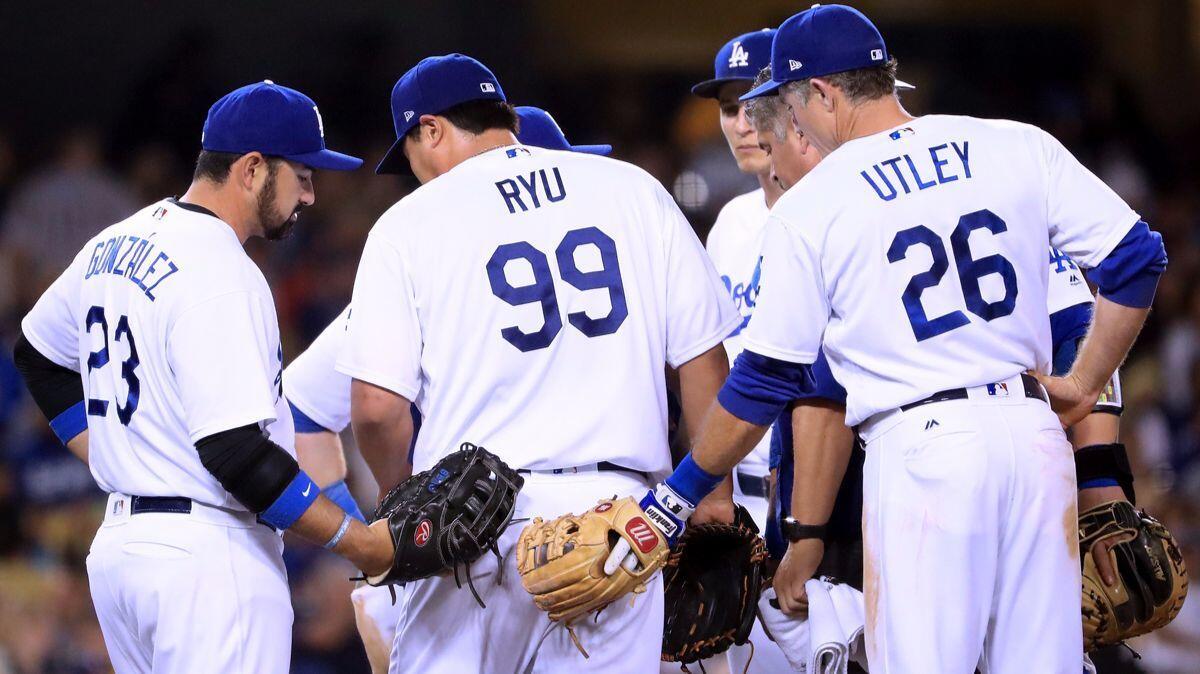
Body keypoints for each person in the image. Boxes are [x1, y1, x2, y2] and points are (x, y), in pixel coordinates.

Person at [617, 5, 1166, 672]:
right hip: (1033, 442)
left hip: (922, 453)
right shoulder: (1014, 144)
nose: (790, 125)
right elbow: (1137, 259)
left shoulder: (817, 201)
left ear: (821, 93)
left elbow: (766, 380)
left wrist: (675, 494)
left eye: (790, 105)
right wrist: (1082, 384)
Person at [337, 53, 735, 673]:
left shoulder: (408, 225)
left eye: (410, 150)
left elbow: (376, 409)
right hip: (621, 519)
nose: (413, 172)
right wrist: (712, 496)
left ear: (432, 129)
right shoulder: (632, 189)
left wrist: (400, 502)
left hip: (470, 526)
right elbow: (703, 359)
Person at [12, 80, 395, 674]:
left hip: (121, 554)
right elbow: (237, 454)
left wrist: (108, 453)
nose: (312, 196)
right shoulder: (223, 269)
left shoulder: (115, 241)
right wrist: (360, 541)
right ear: (251, 169)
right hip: (208, 560)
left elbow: (36, 355)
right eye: (302, 175)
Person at [282, 104, 614, 674]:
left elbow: (304, 408)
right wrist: (381, 537)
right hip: (454, 555)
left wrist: (376, 538)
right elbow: (308, 408)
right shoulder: (426, 277)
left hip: (499, 546)